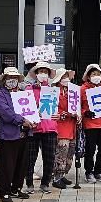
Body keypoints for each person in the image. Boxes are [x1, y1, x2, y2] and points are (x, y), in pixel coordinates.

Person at [0, 67, 35, 202]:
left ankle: (16, 188)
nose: (12, 81)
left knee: (21, 164)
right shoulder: (0, 95)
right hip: (8, 135)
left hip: (24, 133)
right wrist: (22, 120)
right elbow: (5, 113)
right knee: (7, 165)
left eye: (15, 78)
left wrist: (34, 119)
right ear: (4, 80)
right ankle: (4, 191)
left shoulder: (23, 94)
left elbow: (30, 110)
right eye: (9, 78)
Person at [25, 62, 59, 194]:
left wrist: (59, 115)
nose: (43, 74)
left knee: (49, 157)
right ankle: (29, 183)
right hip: (33, 128)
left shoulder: (53, 90)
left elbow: (57, 108)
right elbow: (25, 107)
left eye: (45, 72)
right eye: (41, 72)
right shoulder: (29, 89)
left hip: (50, 127)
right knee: (30, 157)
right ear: (36, 74)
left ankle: (45, 183)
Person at [80, 64, 101, 183]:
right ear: (88, 76)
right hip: (90, 124)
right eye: (94, 74)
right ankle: (89, 172)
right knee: (90, 149)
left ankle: (98, 171)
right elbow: (77, 106)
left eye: (98, 74)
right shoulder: (83, 89)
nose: (96, 76)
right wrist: (85, 112)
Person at [52, 68, 79, 190]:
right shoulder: (54, 92)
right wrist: (66, 113)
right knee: (62, 151)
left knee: (70, 152)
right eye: (63, 77)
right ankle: (56, 177)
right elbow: (53, 108)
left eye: (67, 76)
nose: (66, 79)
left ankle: (63, 174)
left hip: (72, 125)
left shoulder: (72, 91)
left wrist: (78, 114)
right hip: (61, 125)